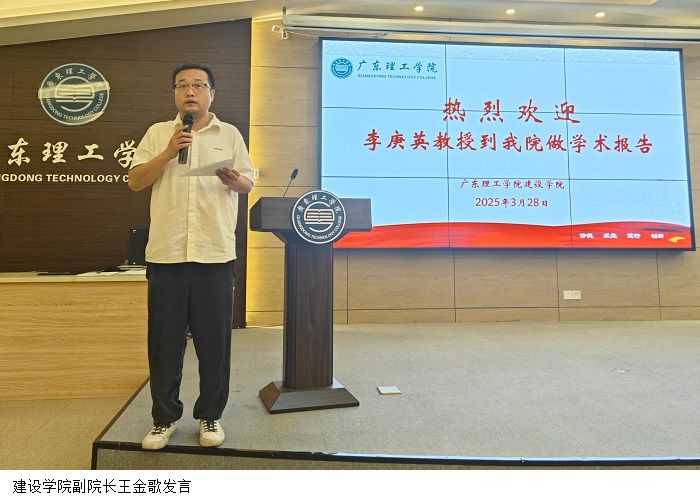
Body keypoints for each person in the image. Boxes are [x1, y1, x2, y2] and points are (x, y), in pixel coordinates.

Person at [128, 63, 254, 450]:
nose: (190, 91)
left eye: (198, 85)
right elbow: (135, 181)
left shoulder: (229, 134)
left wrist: (234, 179)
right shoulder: (158, 133)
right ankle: (163, 419)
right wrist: (169, 151)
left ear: (212, 94)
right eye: (182, 85)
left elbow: (247, 184)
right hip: (166, 255)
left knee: (215, 345)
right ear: (174, 94)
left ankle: (210, 415)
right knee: (164, 343)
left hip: (214, 254)